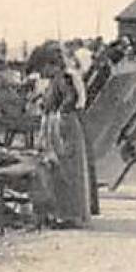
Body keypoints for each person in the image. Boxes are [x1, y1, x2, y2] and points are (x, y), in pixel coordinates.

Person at [32, 43, 91, 227]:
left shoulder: (64, 78)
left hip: (63, 127)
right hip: (57, 125)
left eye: (43, 69)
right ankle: (63, 213)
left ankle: (69, 215)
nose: (41, 74)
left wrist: (58, 115)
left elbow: (70, 98)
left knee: (66, 170)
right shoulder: (55, 79)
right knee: (59, 169)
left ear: (52, 65)